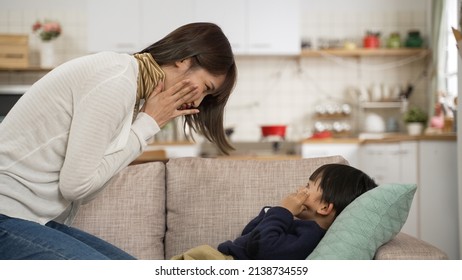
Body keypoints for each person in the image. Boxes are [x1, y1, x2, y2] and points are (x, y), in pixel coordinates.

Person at [0, 22, 237, 260]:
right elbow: (76, 187)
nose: (197, 103)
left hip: (31, 221)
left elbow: (86, 192)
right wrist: (147, 124)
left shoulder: (132, 91)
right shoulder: (117, 80)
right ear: (184, 59)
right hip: (7, 215)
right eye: (205, 87)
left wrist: (144, 122)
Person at [172, 163, 378, 260]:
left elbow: (263, 249)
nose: (300, 189)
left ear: (324, 207)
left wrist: (282, 211)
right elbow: (248, 236)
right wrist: (273, 213)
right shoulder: (295, 224)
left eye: (309, 186)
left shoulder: (310, 236)